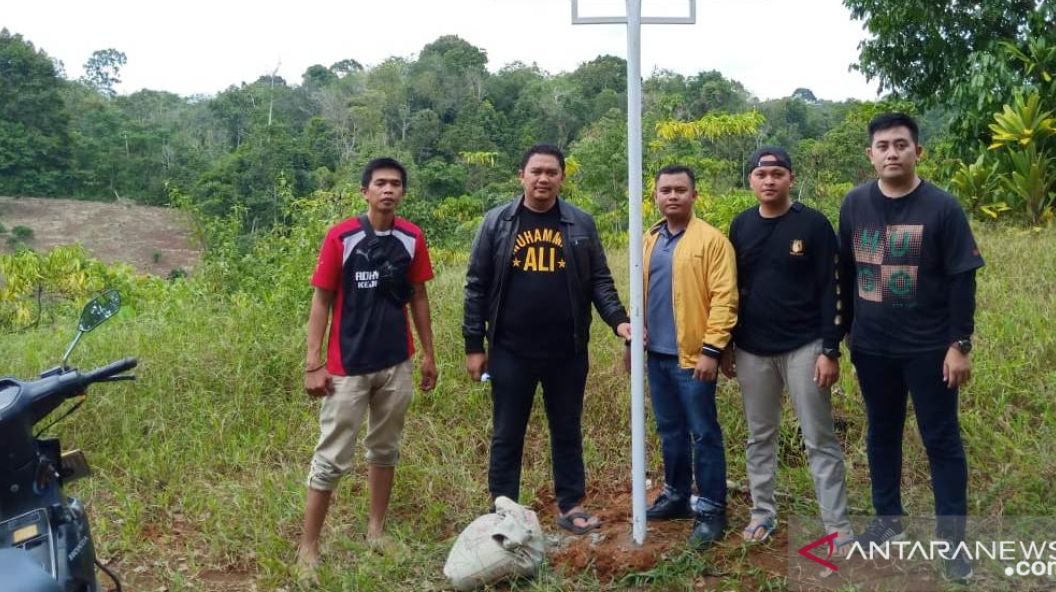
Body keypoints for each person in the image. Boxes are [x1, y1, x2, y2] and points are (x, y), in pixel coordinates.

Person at [839, 112, 983, 583]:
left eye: (901, 144)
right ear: (870, 155)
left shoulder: (942, 207)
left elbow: (963, 279)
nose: (892, 153)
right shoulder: (854, 204)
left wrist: (959, 344)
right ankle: (887, 519)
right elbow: (844, 274)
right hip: (872, 348)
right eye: (883, 146)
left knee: (941, 440)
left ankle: (953, 544)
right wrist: (840, 338)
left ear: (918, 152)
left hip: (929, 350)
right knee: (881, 433)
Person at [463, 144, 630, 535]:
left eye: (551, 172)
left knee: (567, 428)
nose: (543, 179)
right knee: (507, 431)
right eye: (536, 171)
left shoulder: (580, 223)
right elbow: (476, 286)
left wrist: (619, 321)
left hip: (566, 351)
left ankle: (571, 504)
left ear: (562, 178)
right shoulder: (497, 223)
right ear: (521, 175)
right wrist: (475, 345)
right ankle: (503, 509)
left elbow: (599, 282)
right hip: (510, 349)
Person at [298, 157, 438, 577]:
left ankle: (376, 532)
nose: (388, 190)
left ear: (403, 192)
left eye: (395, 184)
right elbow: (321, 300)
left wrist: (429, 354)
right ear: (365, 191)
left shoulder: (412, 237)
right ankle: (308, 547)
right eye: (380, 183)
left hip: (396, 363)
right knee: (331, 457)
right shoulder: (341, 236)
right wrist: (313, 363)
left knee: (385, 449)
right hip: (347, 367)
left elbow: (419, 297)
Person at [724, 147, 853, 545]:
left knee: (819, 437)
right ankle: (762, 513)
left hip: (805, 347)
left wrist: (830, 349)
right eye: (762, 175)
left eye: (777, 174)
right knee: (759, 435)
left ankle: (837, 526)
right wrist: (727, 343)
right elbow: (731, 289)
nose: (769, 181)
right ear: (751, 181)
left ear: (790, 180)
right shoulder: (740, 226)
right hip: (751, 349)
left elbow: (832, 288)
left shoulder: (813, 225)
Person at [635, 164, 738, 549]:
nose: (672, 196)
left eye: (680, 190)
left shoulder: (711, 241)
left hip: (693, 358)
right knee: (670, 431)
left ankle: (711, 508)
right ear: (656, 196)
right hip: (657, 356)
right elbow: (640, 291)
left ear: (694, 195)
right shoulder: (649, 239)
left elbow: (725, 299)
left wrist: (713, 350)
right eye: (666, 190)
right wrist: (633, 339)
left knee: (703, 433)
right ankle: (676, 495)